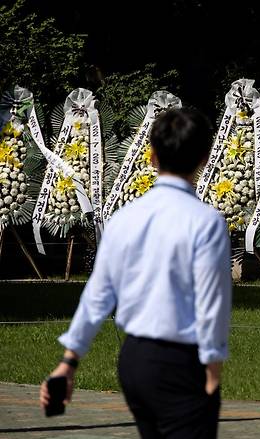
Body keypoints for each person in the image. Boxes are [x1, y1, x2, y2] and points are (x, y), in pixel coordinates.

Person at [39, 108, 233, 439]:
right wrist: (213, 367)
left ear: (152, 156)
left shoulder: (124, 218)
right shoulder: (206, 221)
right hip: (182, 364)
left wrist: (69, 361)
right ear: (204, 157)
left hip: (134, 361)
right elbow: (212, 300)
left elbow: (97, 296)